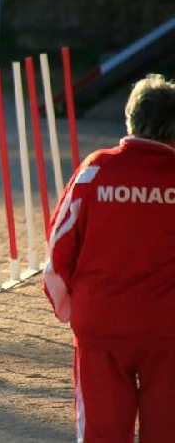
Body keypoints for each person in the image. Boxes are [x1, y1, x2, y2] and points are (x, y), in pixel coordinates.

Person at [43, 73, 175, 442]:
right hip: (168, 328)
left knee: (102, 432)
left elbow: (59, 244)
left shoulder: (96, 170)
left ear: (130, 119)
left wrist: (69, 308)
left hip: (100, 323)